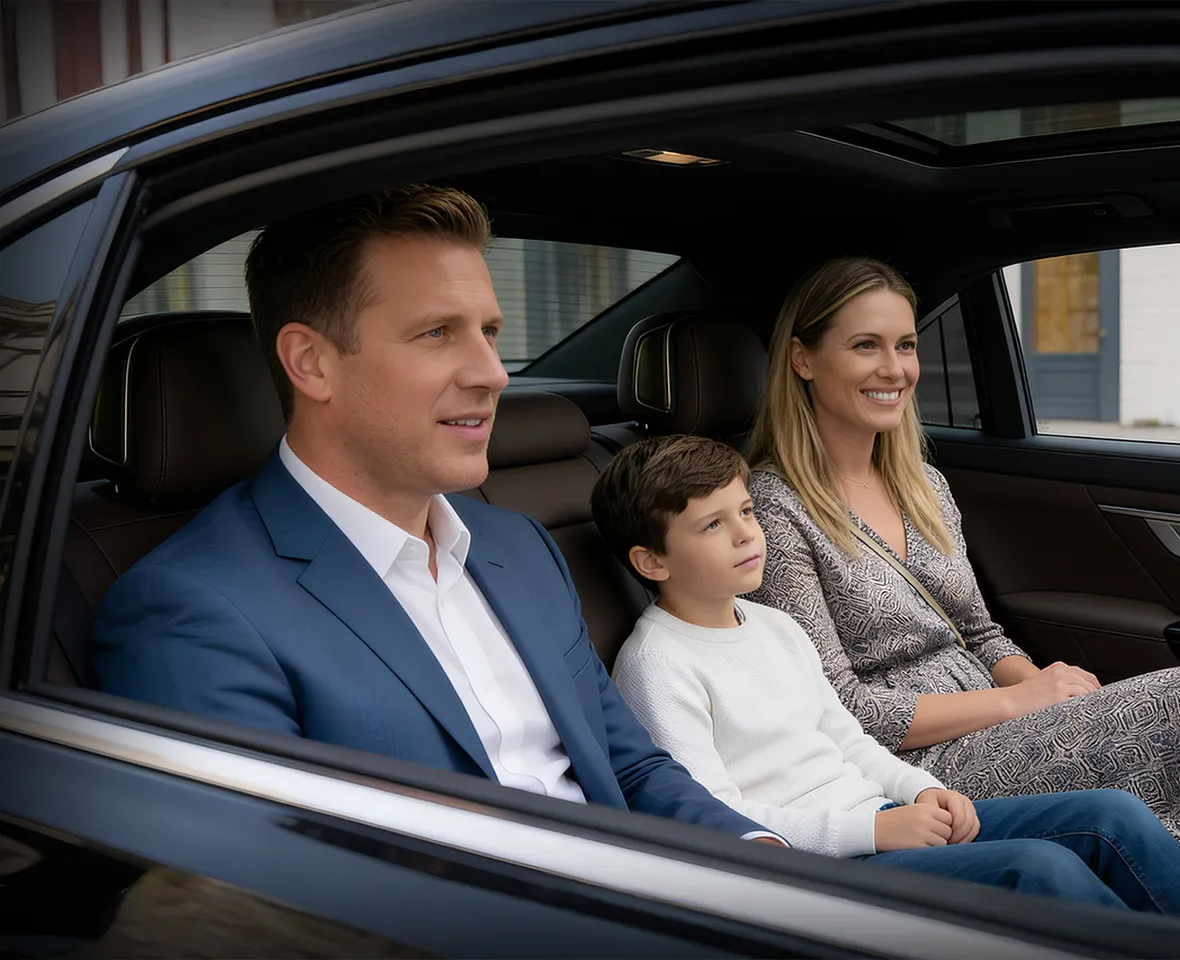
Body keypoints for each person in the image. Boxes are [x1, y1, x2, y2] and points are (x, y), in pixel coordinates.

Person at [91, 184, 783, 846]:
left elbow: (628, 766)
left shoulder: (520, 545)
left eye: (489, 331)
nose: (493, 372)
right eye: (436, 333)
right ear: (311, 362)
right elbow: (267, 902)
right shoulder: (192, 610)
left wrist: (759, 852)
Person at [742, 256, 1180, 934]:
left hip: (996, 722)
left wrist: (1041, 682)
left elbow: (980, 634)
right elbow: (840, 709)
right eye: (865, 345)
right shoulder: (773, 508)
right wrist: (1019, 700)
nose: (895, 368)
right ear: (803, 359)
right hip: (905, 770)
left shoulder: (921, 483)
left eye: (905, 345)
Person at [591, 433, 1180, 922]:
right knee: (1040, 865)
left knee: (1112, 813)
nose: (745, 534)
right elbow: (713, 814)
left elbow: (846, 742)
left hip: (884, 817)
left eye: (747, 512)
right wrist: (873, 832)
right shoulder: (657, 664)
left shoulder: (774, 627)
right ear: (651, 560)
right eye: (713, 524)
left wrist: (923, 791)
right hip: (827, 862)